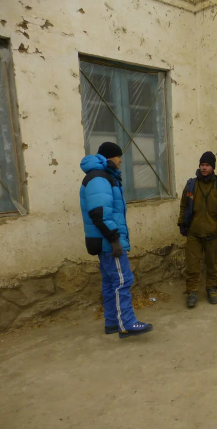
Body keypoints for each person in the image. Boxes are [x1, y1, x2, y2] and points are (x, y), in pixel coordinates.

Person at [80, 142, 153, 338]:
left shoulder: (101, 176)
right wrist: (114, 240)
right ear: (111, 157)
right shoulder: (99, 178)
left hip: (103, 240)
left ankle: (112, 322)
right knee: (123, 280)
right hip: (107, 241)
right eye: (119, 156)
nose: (121, 160)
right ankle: (127, 323)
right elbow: (99, 213)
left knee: (110, 282)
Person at [177, 151, 217, 308]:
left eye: (207, 165)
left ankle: (212, 289)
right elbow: (183, 205)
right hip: (193, 233)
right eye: (202, 165)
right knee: (192, 265)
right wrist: (181, 223)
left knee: (213, 264)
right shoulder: (191, 185)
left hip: (213, 233)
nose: (204, 168)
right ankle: (192, 292)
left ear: (213, 167)